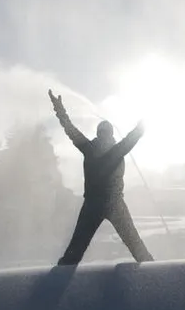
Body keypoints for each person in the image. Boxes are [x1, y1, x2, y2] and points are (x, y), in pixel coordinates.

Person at [48, 89, 154, 265]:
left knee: (74, 252)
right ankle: (153, 273)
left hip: (93, 205)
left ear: (99, 133)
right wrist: (141, 126)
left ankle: (59, 278)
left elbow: (70, 130)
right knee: (137, 247)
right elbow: (132, 138)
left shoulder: (89, 148)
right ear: (110, 134)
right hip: (113, 203)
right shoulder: (116, 150)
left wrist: (59, 109)